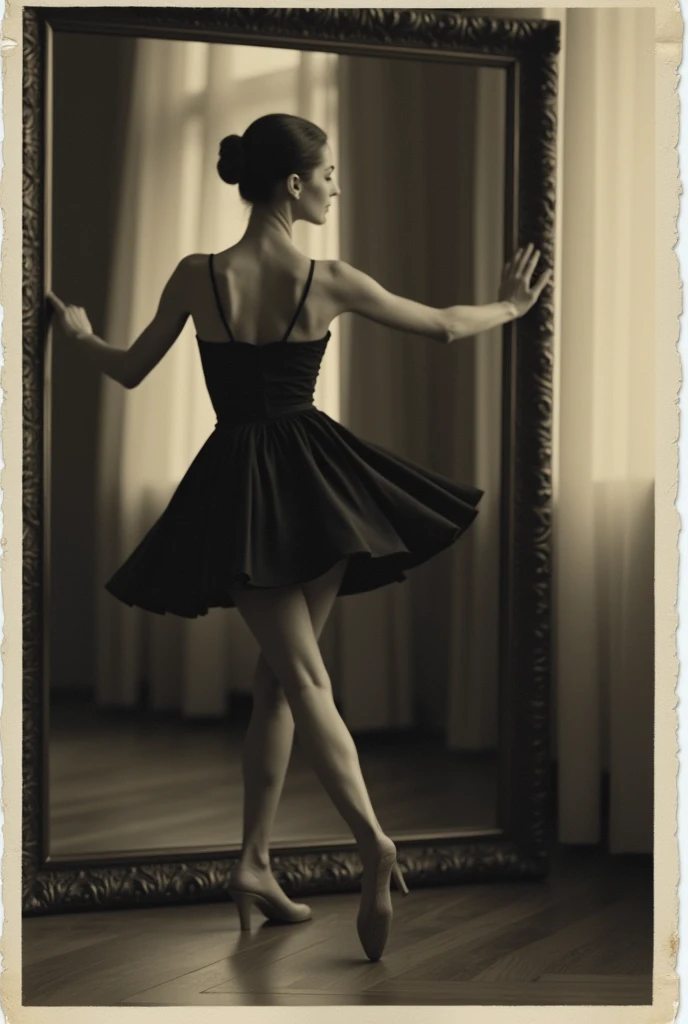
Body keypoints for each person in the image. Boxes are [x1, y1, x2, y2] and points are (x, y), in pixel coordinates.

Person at [48, 112, 551, 962]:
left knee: (287, 681)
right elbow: (441, 327)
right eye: (328, 174)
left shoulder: (194, 276)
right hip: (316, 482)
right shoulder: (326, 278)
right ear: (293, 184)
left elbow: (131, 369)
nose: (335, 186)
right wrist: (512, 302)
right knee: (296, 677)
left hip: (243, 486)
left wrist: (80, 337)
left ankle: (251, 862)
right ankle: (370, 842)